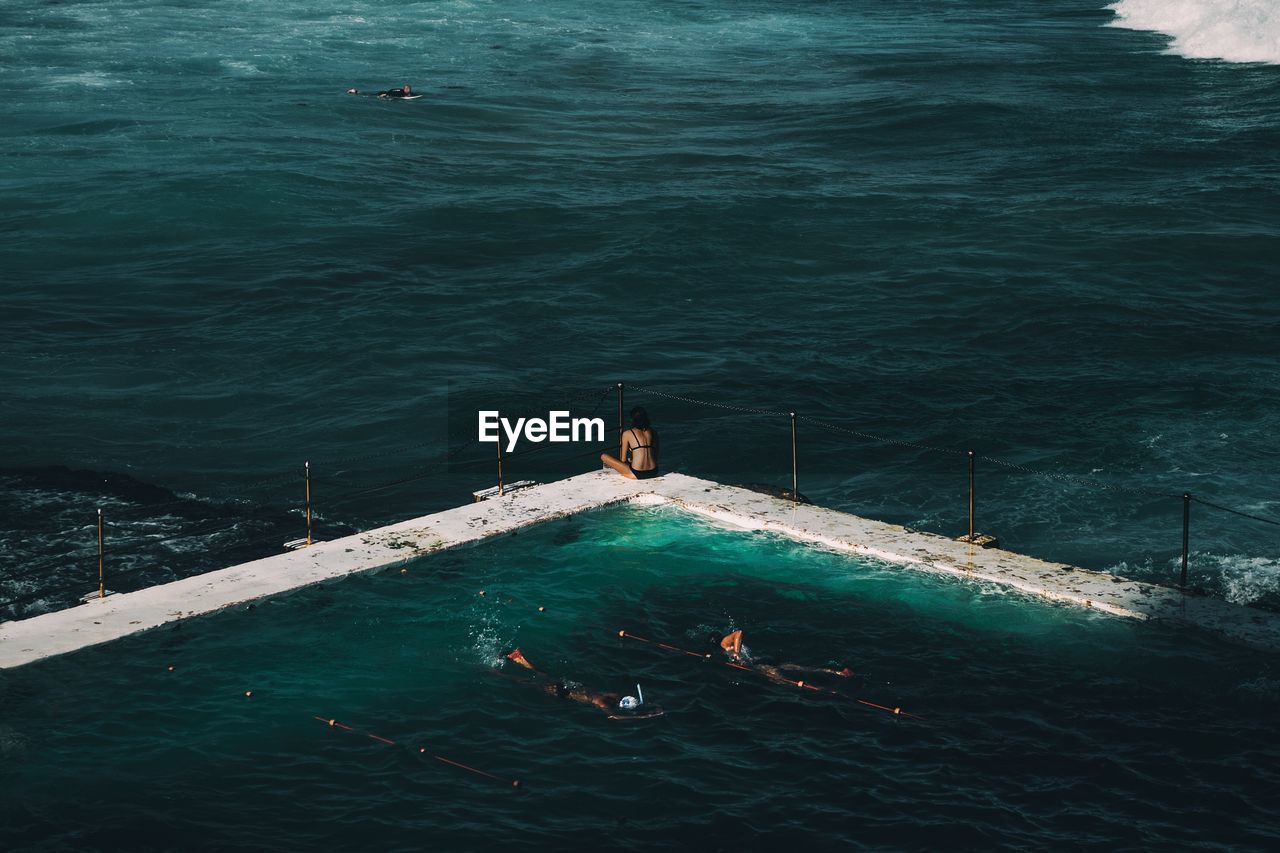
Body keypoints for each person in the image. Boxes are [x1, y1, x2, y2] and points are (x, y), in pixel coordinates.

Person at [713, 630, 853, 686]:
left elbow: (739, 633)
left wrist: (736, 653)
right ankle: (840, 673)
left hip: (757, 664)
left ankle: (815, 688)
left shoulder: (723, 643)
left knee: (778, 679)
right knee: (802, 668)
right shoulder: (723, 646)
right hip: (760, 659)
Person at [504, 649, 622, 715]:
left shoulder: (605, 694)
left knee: (542, 674)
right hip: (562, 692)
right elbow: (613, 717)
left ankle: (518, 658)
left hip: (566, 686)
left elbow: (617, 695)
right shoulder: (602, 702)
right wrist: (639, 716)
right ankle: (499, 674)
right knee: (530, 682)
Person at [601, 406, 659, 480]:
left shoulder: (627, 433)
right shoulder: (654, 432)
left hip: (637, 473)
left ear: (633, 419)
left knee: (604, 456)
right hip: (653, 471)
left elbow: (623, 459)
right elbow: (656, 455)